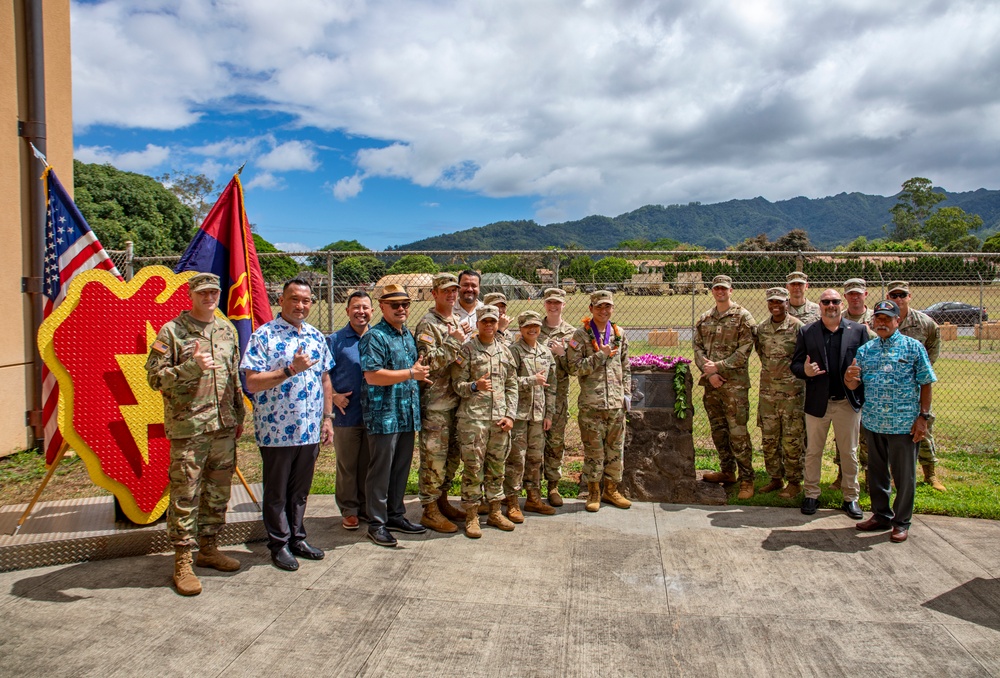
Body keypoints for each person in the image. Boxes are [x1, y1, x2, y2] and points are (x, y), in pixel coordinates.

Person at [145, 272, 245, 596]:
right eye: (202, 293)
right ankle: (182, 562)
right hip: (189, 429)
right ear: (191, 295)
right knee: (185, 497)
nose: (209, 297)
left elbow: (234, 376)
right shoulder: (172, 332)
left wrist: (239, 414)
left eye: (213, 292)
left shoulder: (227, 329)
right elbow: (154, 379)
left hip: (223, 426)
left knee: (218, 493)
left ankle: (209, 549)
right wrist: (191, 368)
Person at [241, 278, 334, 572]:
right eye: (294, 299)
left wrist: (328, 418)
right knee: (277, 490)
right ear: (281, 301)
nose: (301, 305)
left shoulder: (317, 337)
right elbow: (252, 382)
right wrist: (290, 370)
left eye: (306, 301)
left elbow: (325, 379)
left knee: (300, 490)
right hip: (277, 431)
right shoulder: (263, 336)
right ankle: (278, 544)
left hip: (309, 429)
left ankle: (297, 538)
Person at [846, 300, 936, 543]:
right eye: (879, 318)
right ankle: (881, 515)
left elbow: (926, 383)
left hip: (903, 424)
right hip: (874, 422)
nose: (882, 323)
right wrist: (848, 378)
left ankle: (901, 522)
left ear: (898, 321)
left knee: (904, 475)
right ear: (873, 322)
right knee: (876, 473)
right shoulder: (866, 350)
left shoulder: (913, 348)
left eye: (888, 318)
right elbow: (854, 384)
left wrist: (923, 417)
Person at [359, 284, 431, 547]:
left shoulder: (406, 335)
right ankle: (376, 523)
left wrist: (418, 375)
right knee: (381, 471)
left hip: (406, 413)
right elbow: (372, 375)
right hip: (384, 415)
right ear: (382, 306)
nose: (401, 309)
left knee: (400, 469)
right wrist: (411, 374)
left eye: (405, 304)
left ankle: (395, 515)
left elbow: (412, 369)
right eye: (395, 305)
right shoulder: (375, 337)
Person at [790, 289, 869, 519]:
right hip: (818, 403)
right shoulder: (807, 332)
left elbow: (867, 365)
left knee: (849, 452)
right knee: (814, 451)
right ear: (820, 305)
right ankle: (812, 494)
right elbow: (795, 364)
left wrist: (858, 381)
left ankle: (850, 497)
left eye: (835, 301)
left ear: (841, 303)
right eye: (826, 302)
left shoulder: (859, 331)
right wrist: (804, 371)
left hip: (846, 401)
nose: (831, 305)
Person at [452, 305, 519, 538]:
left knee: (497, 468)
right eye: (485, 321)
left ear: (497, 323)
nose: (489, 325)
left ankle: (494, 511)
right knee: (473, 469)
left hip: (499, 420)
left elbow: (512, 385)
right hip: (473, 421)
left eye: (493, 321)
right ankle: (471, 515)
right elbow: (456, 385)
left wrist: (510, 415)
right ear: (478, 323)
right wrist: (474, 386)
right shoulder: (467, 350)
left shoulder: (505, 351)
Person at [567, 290, 632, 512]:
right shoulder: (581, 335)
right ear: (591, 309)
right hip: (592, 404)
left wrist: (627, 393)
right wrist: (600, 356)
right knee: (594, 451)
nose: (604, 311)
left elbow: (626, 366)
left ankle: (611, 490)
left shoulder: (619, 333)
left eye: (608, 307)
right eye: (599, 307)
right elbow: (574, 367)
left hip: (615, 403)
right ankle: (593, 491)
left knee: (616, 450)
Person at [693, 275, 757, 499]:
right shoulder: (705, 318)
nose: (720, 292)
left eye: (724, 288)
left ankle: (747, 478)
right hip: (712, 386)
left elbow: (744, 351)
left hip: (734, 386)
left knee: (738, 432)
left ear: (731, 290)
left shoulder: (743, 317)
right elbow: (698, 349)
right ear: (712, 291)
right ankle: (728, 471)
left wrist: (718, 367)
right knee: (719, 431)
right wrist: (710, 374)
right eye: (716, 288)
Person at [413, 273, 467, 534]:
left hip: (457, 400)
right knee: (434, 460)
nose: (451, 295)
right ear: (434, 293)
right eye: (445, 291)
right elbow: (428, 363)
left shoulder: (455, 319)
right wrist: (454, 341)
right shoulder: (428, 324)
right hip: (436, 404)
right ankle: (429, 510)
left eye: (454, 290)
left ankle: (442, 500)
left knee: (452, 458)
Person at [888, 280, 946, 492]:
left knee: (923, 428)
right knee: (890, 434)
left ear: (909, 296)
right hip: (888, 388)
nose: (898, 299)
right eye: (893, 295)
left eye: (902, 295)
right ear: (888, 298)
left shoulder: (925, 323)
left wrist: (918, 375)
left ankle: (930, 474)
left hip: (915, 386)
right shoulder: (882, 320)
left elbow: (931, 352)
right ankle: (893, 476)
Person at [752, 287, 805, 499]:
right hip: (768, 393)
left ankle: (794, 482)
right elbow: (761, 354)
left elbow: (803, 358)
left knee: (792, 439)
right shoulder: (762, 329)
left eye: (779, 302)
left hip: (792, 394)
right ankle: (775, 478)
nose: (775, 306)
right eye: (771, 302)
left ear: (787, 303)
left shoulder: (798, 327)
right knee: (769, 438)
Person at [505, 310, 557, 519]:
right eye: (527, 326)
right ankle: (512, 501)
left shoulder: (546, 353)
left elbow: (551, 387)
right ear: (521, 329)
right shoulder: (513, 352)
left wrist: (549, 414)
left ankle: (533, 497)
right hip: (518, 415)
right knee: (517, 459)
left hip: (538, 415)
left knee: (535, 458)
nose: (532, 329)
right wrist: (530, 380)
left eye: (535, 326)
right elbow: (507, 382)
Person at [326, 290, 372, 531]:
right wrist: (333, 396)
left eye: (365, 307)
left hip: (373, 413)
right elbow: (323, 374)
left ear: (372, 311)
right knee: (347, 464)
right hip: (347, 414)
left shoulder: (377, 337)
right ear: (347, 311)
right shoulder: (335, 340)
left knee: (368, 462)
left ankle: (365, 506)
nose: (361, 312)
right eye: (356, 307)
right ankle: (349, 509)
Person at [832, 277, 874, 489]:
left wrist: (869, 332)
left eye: (858, 293)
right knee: (845, 434)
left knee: (868, 434)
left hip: (871, 386)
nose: (855, 297)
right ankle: (842, 476)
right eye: (850, 294)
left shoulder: (877, 318)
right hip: (844, 386)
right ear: (845, 297)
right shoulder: (838, 319)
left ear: (865, 294)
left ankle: (869, 478)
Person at [538, 287, 576, 507]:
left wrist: (562, 354)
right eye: (550, 302)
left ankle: (553, 486)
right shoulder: (534, 327)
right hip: (534, 396)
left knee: (555, 443)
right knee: (532, 443)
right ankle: (531, 487)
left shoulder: (571, 333)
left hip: (558, 397)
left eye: (557, 303)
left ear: (564, 304)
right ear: (545, 304)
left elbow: (574, 369)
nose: (553, 306)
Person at [453, 270, 483, 336]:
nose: (469, 289)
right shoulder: (449, 311)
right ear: (458, 287)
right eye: (465, 285)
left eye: (474, 286)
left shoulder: (485, 310)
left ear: (479, 288)